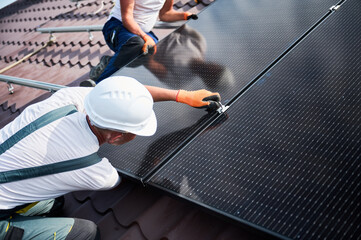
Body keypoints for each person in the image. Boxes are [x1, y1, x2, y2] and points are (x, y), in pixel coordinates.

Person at [0, 76, 220, 239]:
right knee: (85, 233)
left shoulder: (69, 98)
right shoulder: (91, 170)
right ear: (115, 137)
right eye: (137, 131)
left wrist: (181, 95)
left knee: (55, 203)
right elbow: (132, 174)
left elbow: (124, 94)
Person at [80, 0, 198, 87]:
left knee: (152, 51)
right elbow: (127, 18)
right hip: (116, 28)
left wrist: (184, 15)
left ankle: (109, 63)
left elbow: (165, 14)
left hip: (140, 33)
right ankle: (98, 83)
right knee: (138, 45)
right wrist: (145, 36)